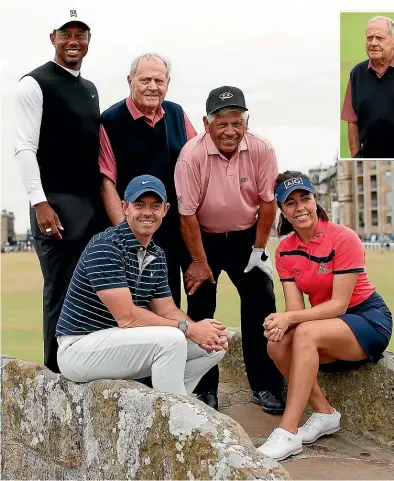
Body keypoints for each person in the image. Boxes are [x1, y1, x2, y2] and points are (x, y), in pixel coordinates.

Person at [257, 171, 392, 461]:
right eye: (290, 202)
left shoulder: (343, 238)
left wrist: (291, 320)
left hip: (368, 318)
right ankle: (324, 413)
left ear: (315, 200)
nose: (300, 207)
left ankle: (288, 432)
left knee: (304, 332)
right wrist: (280, 322)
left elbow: (339, 305)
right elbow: (294, 310)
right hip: (325, 323)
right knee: (276, 344)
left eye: (305, 198)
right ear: (281, 209)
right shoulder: (284, 251)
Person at [55, 175, 229, 394]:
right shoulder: (105, 246)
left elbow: (167, 310)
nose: (147, 212)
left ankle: (169, 401)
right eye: (139, 205)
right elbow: (127, 317)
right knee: (172, 339)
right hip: (79, 348)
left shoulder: (157, 254)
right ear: (125, 207)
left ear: (165, 210)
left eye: (155, 206)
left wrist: (202, 332)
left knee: (215, 345)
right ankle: (174, 418)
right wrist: (190, 328)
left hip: (121, 343)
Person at [174, 86, 284, 412]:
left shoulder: (262, 149)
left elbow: (267, 203)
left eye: (237, 123)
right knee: (201, 308)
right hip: (201, 239)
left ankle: (265, 386)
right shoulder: (190, 155)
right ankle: (205, 389)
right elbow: (187, 215)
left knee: (261, 303)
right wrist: (197, 260)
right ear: (206, 124)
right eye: (221, 124)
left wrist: (259, 249)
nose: (229, 131)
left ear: (246, 123)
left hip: (246, 237)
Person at [14, 10, 101, 373]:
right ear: (53, 37)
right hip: (56, 207)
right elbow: (24, 148)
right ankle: (54, 371)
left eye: (81, 34)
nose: (74, 40)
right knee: (60, 291)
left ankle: (87, 364)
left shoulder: (90, 88)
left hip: (91, 206)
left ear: (88, 40)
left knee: (93, 291)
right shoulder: (33, 84)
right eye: (66, 33)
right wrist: (40, 203)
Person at [99, 53, 197, 308]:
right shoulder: (110, 120)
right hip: (134, 226)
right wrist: (125, 237)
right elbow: (107, 180)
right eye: (145, 80)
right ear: (130, 80)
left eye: (159, 80)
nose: (153, 87)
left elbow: (197, 161)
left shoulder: (176, 113)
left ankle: (195, 344)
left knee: (184, 297)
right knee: (142, 304)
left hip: (176, 224)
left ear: (168, 83)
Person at [341, 16, 394, 158]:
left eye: (379, 38)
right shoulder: (356, 73)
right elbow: (352, 120)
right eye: (369, 38)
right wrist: (355, 156)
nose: (373, 43)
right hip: (369, 158)